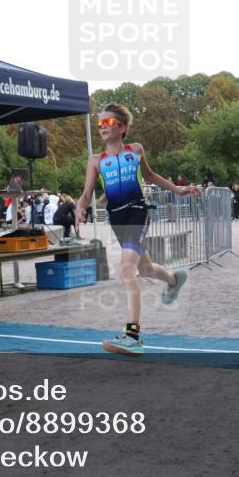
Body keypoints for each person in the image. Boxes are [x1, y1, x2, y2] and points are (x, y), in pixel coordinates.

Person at [75, 104, 200, 356]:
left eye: (108, 123)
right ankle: (174, 280)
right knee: (144, 268)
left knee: (125, 269)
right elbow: (87, 194)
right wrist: (80, 208)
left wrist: (178, 189)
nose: (102, 128)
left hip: (137, 212)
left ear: (122, 127)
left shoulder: (136, 150)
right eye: (99, 124)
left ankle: (133, 335)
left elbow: (151, 176)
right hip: (117, 219)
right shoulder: (96, 161)